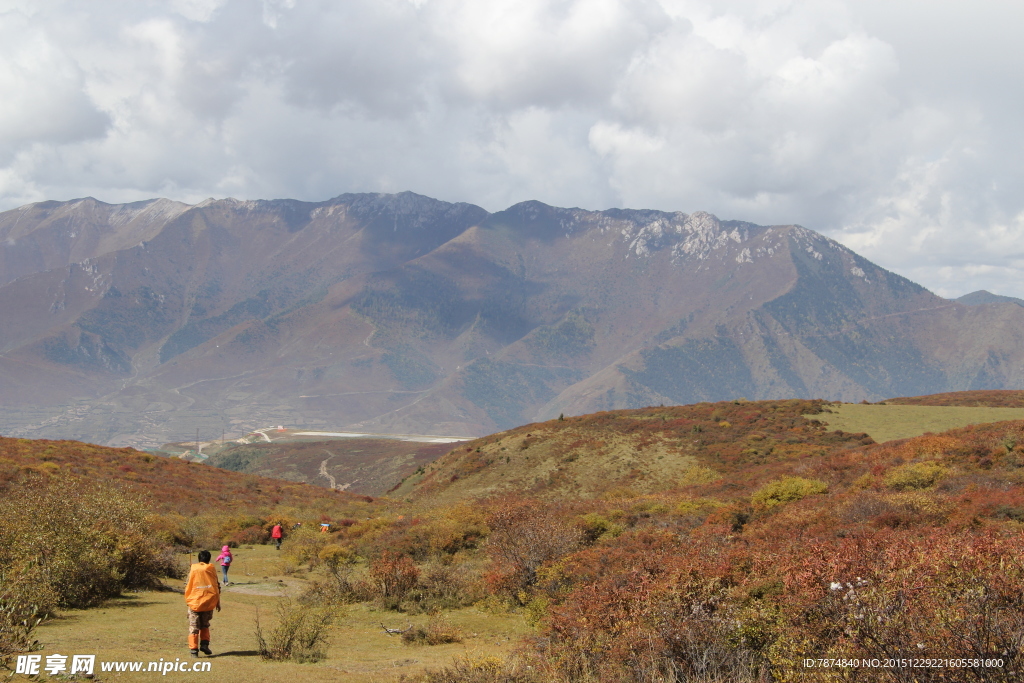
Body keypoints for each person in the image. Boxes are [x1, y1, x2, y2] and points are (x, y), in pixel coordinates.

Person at [184, 550, 221, 658]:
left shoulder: (193, 569)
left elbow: (187, 584)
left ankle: (193, 651)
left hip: (194, 602)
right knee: (205, 624)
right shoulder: (211, 569)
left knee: (194, 626)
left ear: (199, 559)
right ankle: (204, 644)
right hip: (208, 602)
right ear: (209, 559)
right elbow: (216, 585)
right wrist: (218, 602)